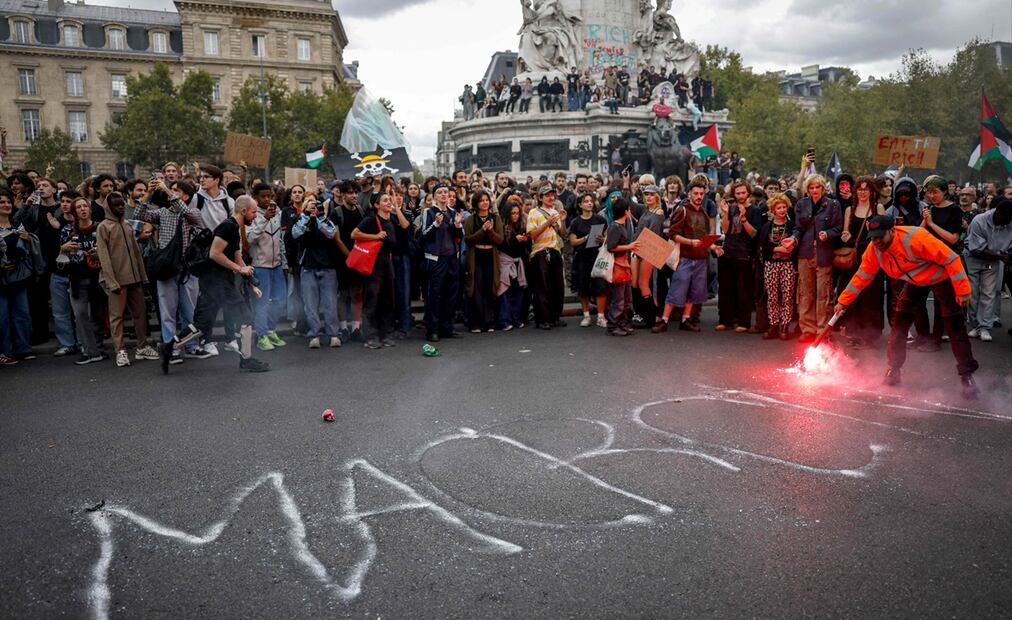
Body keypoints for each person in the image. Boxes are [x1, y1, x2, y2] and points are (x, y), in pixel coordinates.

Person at [836, 215, 979, 400]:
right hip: (916, 281)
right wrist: (843, 301)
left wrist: (963, 289)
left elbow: (952, 259)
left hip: (943, 278)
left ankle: (967, 376)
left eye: (880, 236)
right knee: (900, 324)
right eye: (873, 237)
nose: (877, 241)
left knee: (955, 327)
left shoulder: (916, 238)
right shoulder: (874, 249)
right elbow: (861, 277)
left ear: (892, 231)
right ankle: (893, 369)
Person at [173, 196, 269, 372]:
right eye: (254, 212)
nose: (256, 216)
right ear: (244, 211)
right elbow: (214, 254)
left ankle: (168, 348)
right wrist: (239, 270)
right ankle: (247, 360)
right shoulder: (227, 226)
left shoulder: (236, 228)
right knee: (245, 317)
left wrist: (251, 282)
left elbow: (238, 256)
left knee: (203, 323)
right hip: (215, 282)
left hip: (220, 281)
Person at [135, 179, 205, 365]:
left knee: (190, 311)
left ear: (186, 196)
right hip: (166, 268)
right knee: (168, 312)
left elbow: (193, 217)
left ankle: (191, 345)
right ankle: (170, 348)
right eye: (170, 190)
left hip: (187, 269)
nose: (169, 193)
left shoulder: (193, 213)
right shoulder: (163, 213)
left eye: (175, 190)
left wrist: (166, 189)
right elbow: (139, 213)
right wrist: (149, 194)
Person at [96, 192, 158, 368]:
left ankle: (142, 346)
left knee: (140, 314)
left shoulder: (128, 225)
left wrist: (143, 277)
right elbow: (104, 256)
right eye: (116, 205)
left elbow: (137, 253)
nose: (121, 207)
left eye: (122, 204)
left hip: (135, 279)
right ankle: (120, 350)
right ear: (109, 207)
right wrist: (111, 282)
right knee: (117, 316)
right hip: (117, 280)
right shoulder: (103, 227)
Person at [653, 180, 723, 332]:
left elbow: (703, 237)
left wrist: (713, 247)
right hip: (684, 258)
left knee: (694, 292)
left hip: (700, 259)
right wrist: (690, 242)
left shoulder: (703, 213)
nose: (699, 196)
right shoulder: (682, 210)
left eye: (701, 194)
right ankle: (663, 321)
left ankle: (686, 320)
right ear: (689, 194)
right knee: (676, 291)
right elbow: (673, 234)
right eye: (696, 193)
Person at [837, 176, 886, 349]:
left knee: (871, 295)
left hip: (873, 255)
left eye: (866, 189)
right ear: (855, 191)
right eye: (860, 189)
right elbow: (845, 232)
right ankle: (853, 332)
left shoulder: (878, 207)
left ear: (872, 191)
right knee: (854, 294)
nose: (863, 192)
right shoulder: (850, 209)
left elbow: (886, 234)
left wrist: (873, 232)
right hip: (855, 257)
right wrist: (846, 236)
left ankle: (871, 334)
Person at [793, 174, 842, 343]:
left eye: (817, 187)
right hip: (804, 253)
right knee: (805, 293)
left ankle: (823, 329)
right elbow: (798, 228)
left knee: (824, 294)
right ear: (808, 189)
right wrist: (793, 239)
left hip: (823, 254)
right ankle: (807, 328)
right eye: (811, 188)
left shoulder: (833, 205)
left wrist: (827, 234)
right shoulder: (801, 204)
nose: (815, 191)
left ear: (823, 188)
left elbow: (838, 228)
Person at [353, 192, 403, 349]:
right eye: (385, 200)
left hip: (387, 262)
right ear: (376, 205)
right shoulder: (371, 219)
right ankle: (370, 336)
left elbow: (405, 226)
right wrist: (375, 236)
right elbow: (354, 234)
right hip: (374, 263)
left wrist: (398, 209)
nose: (389, 202)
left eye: (389, 200)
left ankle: (386, 334)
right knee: (372, 300)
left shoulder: (391, 219)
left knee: (388, 299)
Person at [61, 197, 107, 365]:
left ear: (90, 209)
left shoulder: (100, 227)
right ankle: (90, 351)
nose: (82, 209)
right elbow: (61, 257)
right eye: (78, 207)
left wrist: (99, 253)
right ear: (74, 212)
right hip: (76, 278)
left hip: (98, 277)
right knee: (80, 314)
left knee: (97, 316)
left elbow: (110, 250)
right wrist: (63, 249)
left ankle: (99, 349)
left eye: (85, 206)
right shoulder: (67, 230)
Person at [292, 194, 341, 349]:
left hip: (328, 267)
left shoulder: (326, 221)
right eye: (310, 205)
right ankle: (314, 334)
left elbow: (331, 233)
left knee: (330, 303)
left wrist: (320, 216)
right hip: (308, 267)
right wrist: (306, 215)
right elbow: (295, 233)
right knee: (310, 305)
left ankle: (333, 334)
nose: (314, 208)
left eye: (316, 205)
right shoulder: (301, 221)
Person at [420, 184, 464, 342]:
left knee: (451, 295)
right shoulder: (428, 212)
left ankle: (447, 327)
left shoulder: (453, 213)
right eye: (440, 192)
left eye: (446, 192)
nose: (444, 195)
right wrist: (436, 224)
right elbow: (424, 235)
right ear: (434, 196)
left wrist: (458, 225)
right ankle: (432, 330)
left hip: (452, 257)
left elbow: (459, 236)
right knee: (435, 295)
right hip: (436, 259)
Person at [715, 181, 761, 333]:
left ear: (748, 193)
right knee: (725, 290)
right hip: (728, 252)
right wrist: (726, 213)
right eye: (738, 193)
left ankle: (744, 322)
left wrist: (744, 219)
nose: (740, 196)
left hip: (745, 254)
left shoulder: (755, 210)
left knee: (743, 290)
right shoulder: (731, 208)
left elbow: (754, 234)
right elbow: (726, 230)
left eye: (743, 192)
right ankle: (726, 320)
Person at [965, 197, 1012, 342]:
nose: (1007, 223)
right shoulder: (979, 220)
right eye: (1005, 219)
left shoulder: (1010, 221)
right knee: (972, 293)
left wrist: (1008, 254)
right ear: (997, 213)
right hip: (974, 258)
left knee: (989, 293)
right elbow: (976, 249)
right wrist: (1000, 256)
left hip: (994, 261)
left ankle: (984, 327)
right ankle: (974, 325)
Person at [248, 183, 288, 351]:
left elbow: (280, 239)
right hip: (260, 265)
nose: (267, 200)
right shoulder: (252, 214)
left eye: (269, 196)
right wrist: (264, 219)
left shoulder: (278, 212)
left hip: (276, 264)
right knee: (262, 302)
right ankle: (261, 334)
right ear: (255, 197)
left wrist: (284, 262)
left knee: (281, 299)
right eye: (263, 197)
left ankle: (270, 329)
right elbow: (250, 239)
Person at [0, 188, 37, 365]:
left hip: (18, 277)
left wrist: (28, 240)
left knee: (22, 314)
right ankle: (4, 352)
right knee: (2, 317)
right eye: (2, 202)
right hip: (0, 279)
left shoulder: (17, 225)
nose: (6, 205)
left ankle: (23, 349)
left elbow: (29, 251)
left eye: (8, 202)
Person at [526, 185, 567, 329]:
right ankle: (543, 319)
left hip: (555, 250)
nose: (551, 198)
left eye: (552, 195)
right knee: (541, 287)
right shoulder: (533, 212)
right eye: (547, 195)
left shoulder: (555, 211)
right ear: (540, 198)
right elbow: (532, 235)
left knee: (557, 286)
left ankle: (555, 317)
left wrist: (561, 220)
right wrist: (547, 223)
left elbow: (562, 234)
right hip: (540, 252)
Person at [757, 193, 797, 340]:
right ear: (773, 210)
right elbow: (762, 247)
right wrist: (778, 249)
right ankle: (774, 324)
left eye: (784, 207)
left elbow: (795, 244)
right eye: (778, 207)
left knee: (787, 295)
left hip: (788, 265)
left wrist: (789, 249)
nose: (782, 210)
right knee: (772, 296)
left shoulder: (792, 226)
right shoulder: (767, 226)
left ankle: (785, 325)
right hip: (771, 265)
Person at [463, 191, 504, 333]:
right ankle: (476, 322)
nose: (485, 203)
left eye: (487, 200)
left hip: (491, 255)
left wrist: (490, 231)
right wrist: (483, 230)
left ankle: (490, 322)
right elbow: (468, 240)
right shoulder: (470, 219)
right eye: (481, 201)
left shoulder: (495, 218)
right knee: (476, 288)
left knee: (490, 287)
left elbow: (500, 240)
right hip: (476, 256)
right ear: (476, 203)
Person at [568, 192, 607, 327]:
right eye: (586, 201)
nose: (589, 203)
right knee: (582, 288)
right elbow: (573, 242)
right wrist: (587, 237)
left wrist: (603, 240)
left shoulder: (600, 220)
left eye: (591, 201)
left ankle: (601, 317)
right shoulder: (575, 222)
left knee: (600, 287)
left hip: (597, 256)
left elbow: (607, 238)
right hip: (582, 258)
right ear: (580, 205)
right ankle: (586, 316)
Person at [605, 198, 640, 336]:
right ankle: (613, 325)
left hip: (623, 264)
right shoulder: (615, 226)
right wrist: (629, 246)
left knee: (626, 298)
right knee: (619, 299)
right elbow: (611, 247)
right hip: (617, 265)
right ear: (626, 211)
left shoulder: (620, 225)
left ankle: (622, 323)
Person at [497, 197, 529, 331]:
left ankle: (516, 318)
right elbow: (502, 245)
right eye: (513, 213)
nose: (515, 216)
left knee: (518, 292)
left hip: (518, 262)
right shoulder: (503, 227)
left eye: (517, 213)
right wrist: (516, 240)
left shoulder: (521, 225)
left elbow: (523, 248)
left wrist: (524, 240)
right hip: (505, 262)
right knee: (505, 292)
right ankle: (505, 320)